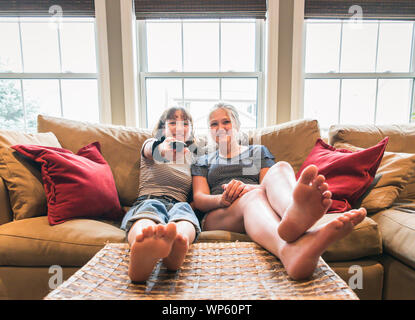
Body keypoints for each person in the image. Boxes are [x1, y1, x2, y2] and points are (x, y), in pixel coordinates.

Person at [191, 102, 367, 280]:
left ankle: (293, 213)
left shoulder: (258, 151)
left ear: (237, 125)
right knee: (254, 196)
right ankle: (287, 249)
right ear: (209, 130)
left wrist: (248, 188)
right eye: (214, 124)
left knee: (281, 167)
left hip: (256, 200)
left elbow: (266, 184)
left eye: (226, 122)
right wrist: (223, 199)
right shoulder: (203, 160)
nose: (220, 128)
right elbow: (199, 199)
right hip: (219, 213)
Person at [121, 107, 201, 282]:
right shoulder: (151, 143)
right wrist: (163, 148)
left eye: (185, 123)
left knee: (185, 215)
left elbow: (196, 193)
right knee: (149, 212)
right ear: (162, 129)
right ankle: (143, 245)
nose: (179, 127)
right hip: (149, 199)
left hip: (179, 203)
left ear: (191, 130)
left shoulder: (193, 157)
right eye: (172, 122)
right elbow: (151, 150)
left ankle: (179, 242)